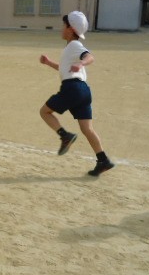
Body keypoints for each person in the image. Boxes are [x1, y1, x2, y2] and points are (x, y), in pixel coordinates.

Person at [39, 10, 114, 177]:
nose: (61, 28)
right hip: (84, 91)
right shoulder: (70, 49)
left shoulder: (74, 46)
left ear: (70, 29)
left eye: (63, 25)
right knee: (87, 129)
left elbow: (89, 57)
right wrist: (48, 62)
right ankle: (103, 160)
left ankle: (65, 136)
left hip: (72, 88)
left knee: (44, 112)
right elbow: (64, 68)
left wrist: (81, 63)